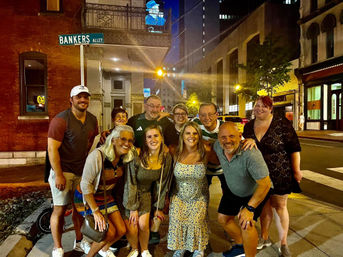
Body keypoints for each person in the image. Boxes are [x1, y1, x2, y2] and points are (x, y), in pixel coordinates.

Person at [243, 96, 302, 257]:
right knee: (264, 207)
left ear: (270, 109)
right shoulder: (248, 127)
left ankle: (284, 243)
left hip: (280, 172)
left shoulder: (282, 124)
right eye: (257, 106)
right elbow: (244, 149)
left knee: (280, 206)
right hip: (258, 175)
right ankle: (264, 237)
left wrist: (296, 170)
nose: (259, 109)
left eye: (264, 106)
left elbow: (294, 148)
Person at [48, 85, 99, 257]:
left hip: (81, 171)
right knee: (60, 209)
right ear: (71, 100)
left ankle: (79, 243)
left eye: (86, 97)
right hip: (63, 170)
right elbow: (52, 149)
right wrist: (59, 174)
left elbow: (91, 142)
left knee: (79, 209)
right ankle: (57, 247)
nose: (83, 100)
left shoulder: (92, 119)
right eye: (79, 97)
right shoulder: (61, 120)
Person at [74, 125, 135, 257]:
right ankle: (90, 255)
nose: (127, 143)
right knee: (109, 232)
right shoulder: (98, 156)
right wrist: (95, 212)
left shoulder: (124, 158)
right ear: (113, 140)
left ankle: (103, 248)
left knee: (121, 230)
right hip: (86, 197)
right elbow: (85, 185)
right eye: (123, 139)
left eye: (130, 140)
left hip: (105, 197)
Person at [213, 122, 271, 257]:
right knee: (223, 219)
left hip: (255, 192)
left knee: (246, 223)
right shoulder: (217, 146)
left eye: (232, 136)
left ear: (240, 136)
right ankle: (240, 246)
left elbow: (266, 184)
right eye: (223, 137)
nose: (227, 141)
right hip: (234, 190)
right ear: (218, 138)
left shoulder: (251, 153)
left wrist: (250, 208)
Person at [123, 125, 173, 257]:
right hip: (130, 193)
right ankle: (134, 249)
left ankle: (145, 250)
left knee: (143, 225)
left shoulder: (166, 158)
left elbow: (162, 185)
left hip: (146, 194)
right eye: (149, 137)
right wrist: (133, 208)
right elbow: (130, 182)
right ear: (145, 140)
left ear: (161, 138)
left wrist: (158, 207)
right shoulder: (137, 155)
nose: (153, 139)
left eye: (156, 136)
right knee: (133, 226)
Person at [167, 121, 209, 257]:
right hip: (179, 195)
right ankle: (181, 246)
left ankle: (198, 248)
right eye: (188, 133)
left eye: (195, 133)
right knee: (177, 219)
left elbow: (225, 147)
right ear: (182, 136)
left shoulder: (205, 151)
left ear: (199, 135)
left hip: (198, 195)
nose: (192, 136)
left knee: (196, 221)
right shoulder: (175, 151)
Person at [193, 103, 225, 190]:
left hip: (224, 168)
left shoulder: (224, 127)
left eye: (210, 114)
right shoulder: (195, 124)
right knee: (202, 194)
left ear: (217, 115)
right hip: (204, 168)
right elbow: (181, 127)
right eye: (203, 115)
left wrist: (249, 140)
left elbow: (239, 141)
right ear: (199, 116)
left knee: (230, 195)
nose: (207, 118)